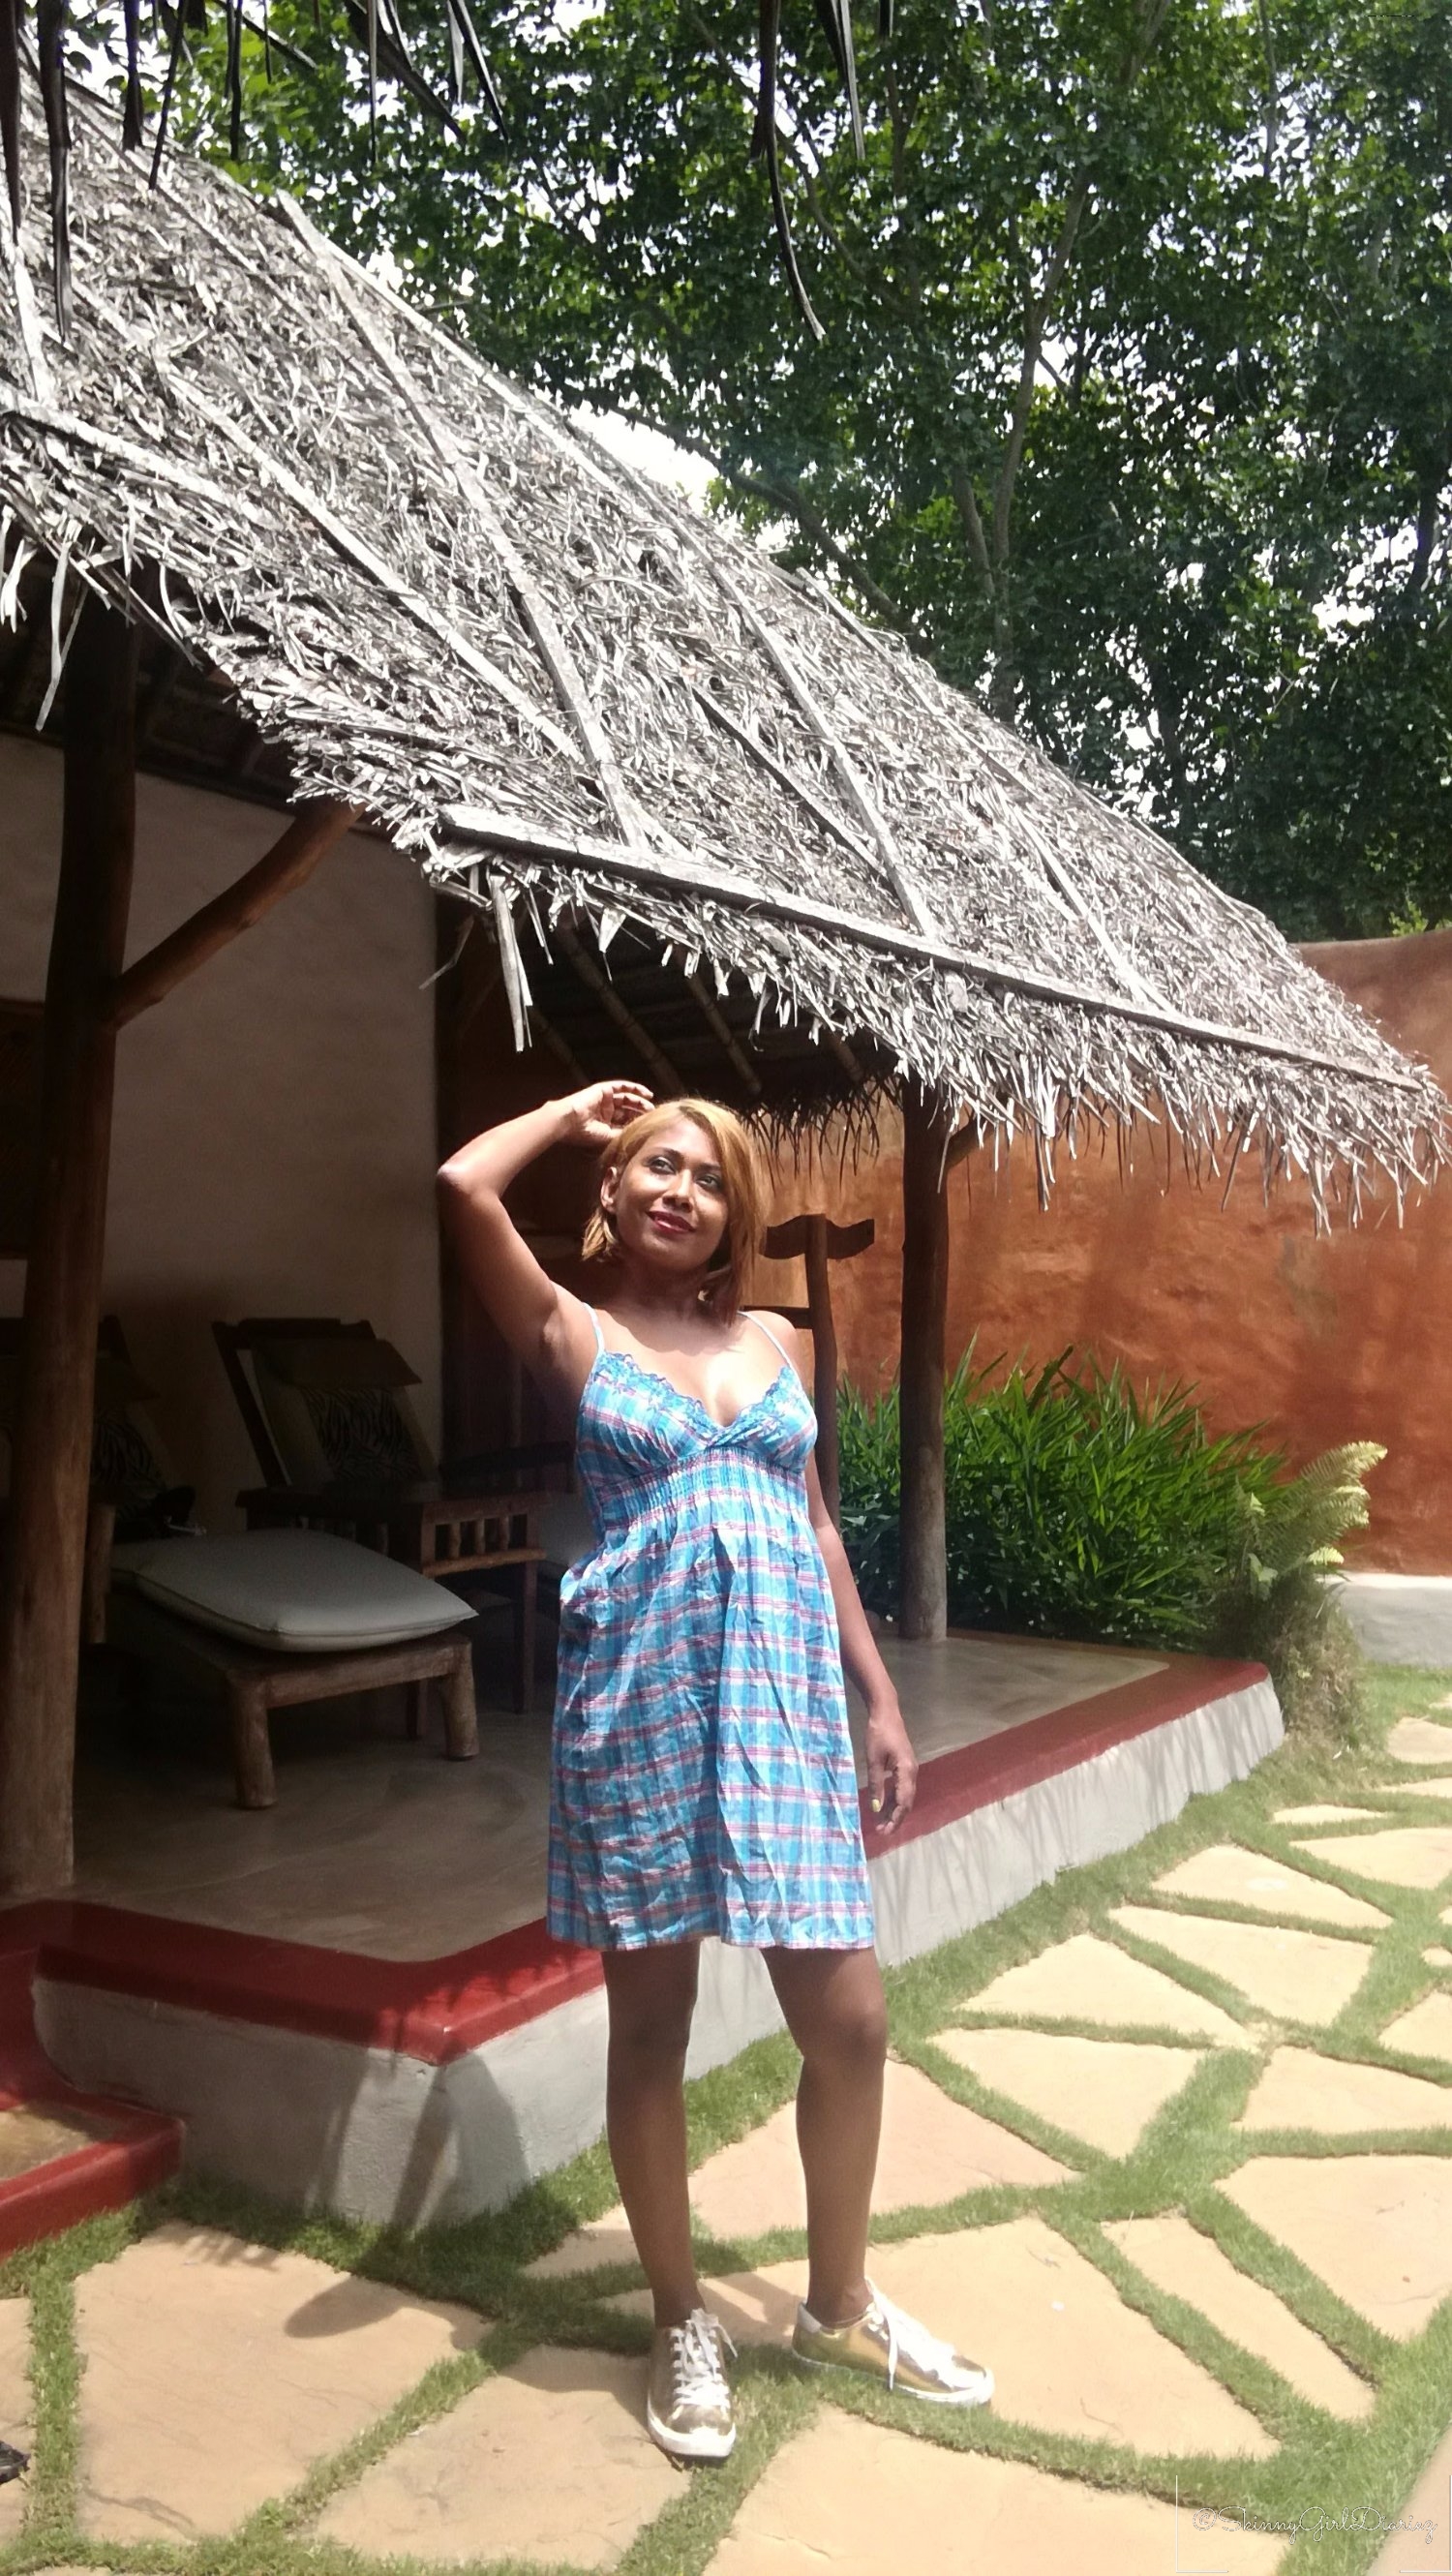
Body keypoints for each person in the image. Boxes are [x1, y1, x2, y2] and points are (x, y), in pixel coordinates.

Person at [439, 1079, 993, 2462]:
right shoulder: (572, 1331)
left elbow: (814, 1525)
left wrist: (879, 1696)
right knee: (652, 2031)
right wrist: (573, 1111)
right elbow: (461, 1187)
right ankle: (680, 2318)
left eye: (706, 1177)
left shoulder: (774, 1342)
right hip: (641, 1702)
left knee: (849, 2021)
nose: (680, 1192)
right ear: (614, 1191)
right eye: (656, 1167)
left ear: (733, 1212)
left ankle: (838, 2302)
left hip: (785, 1707)